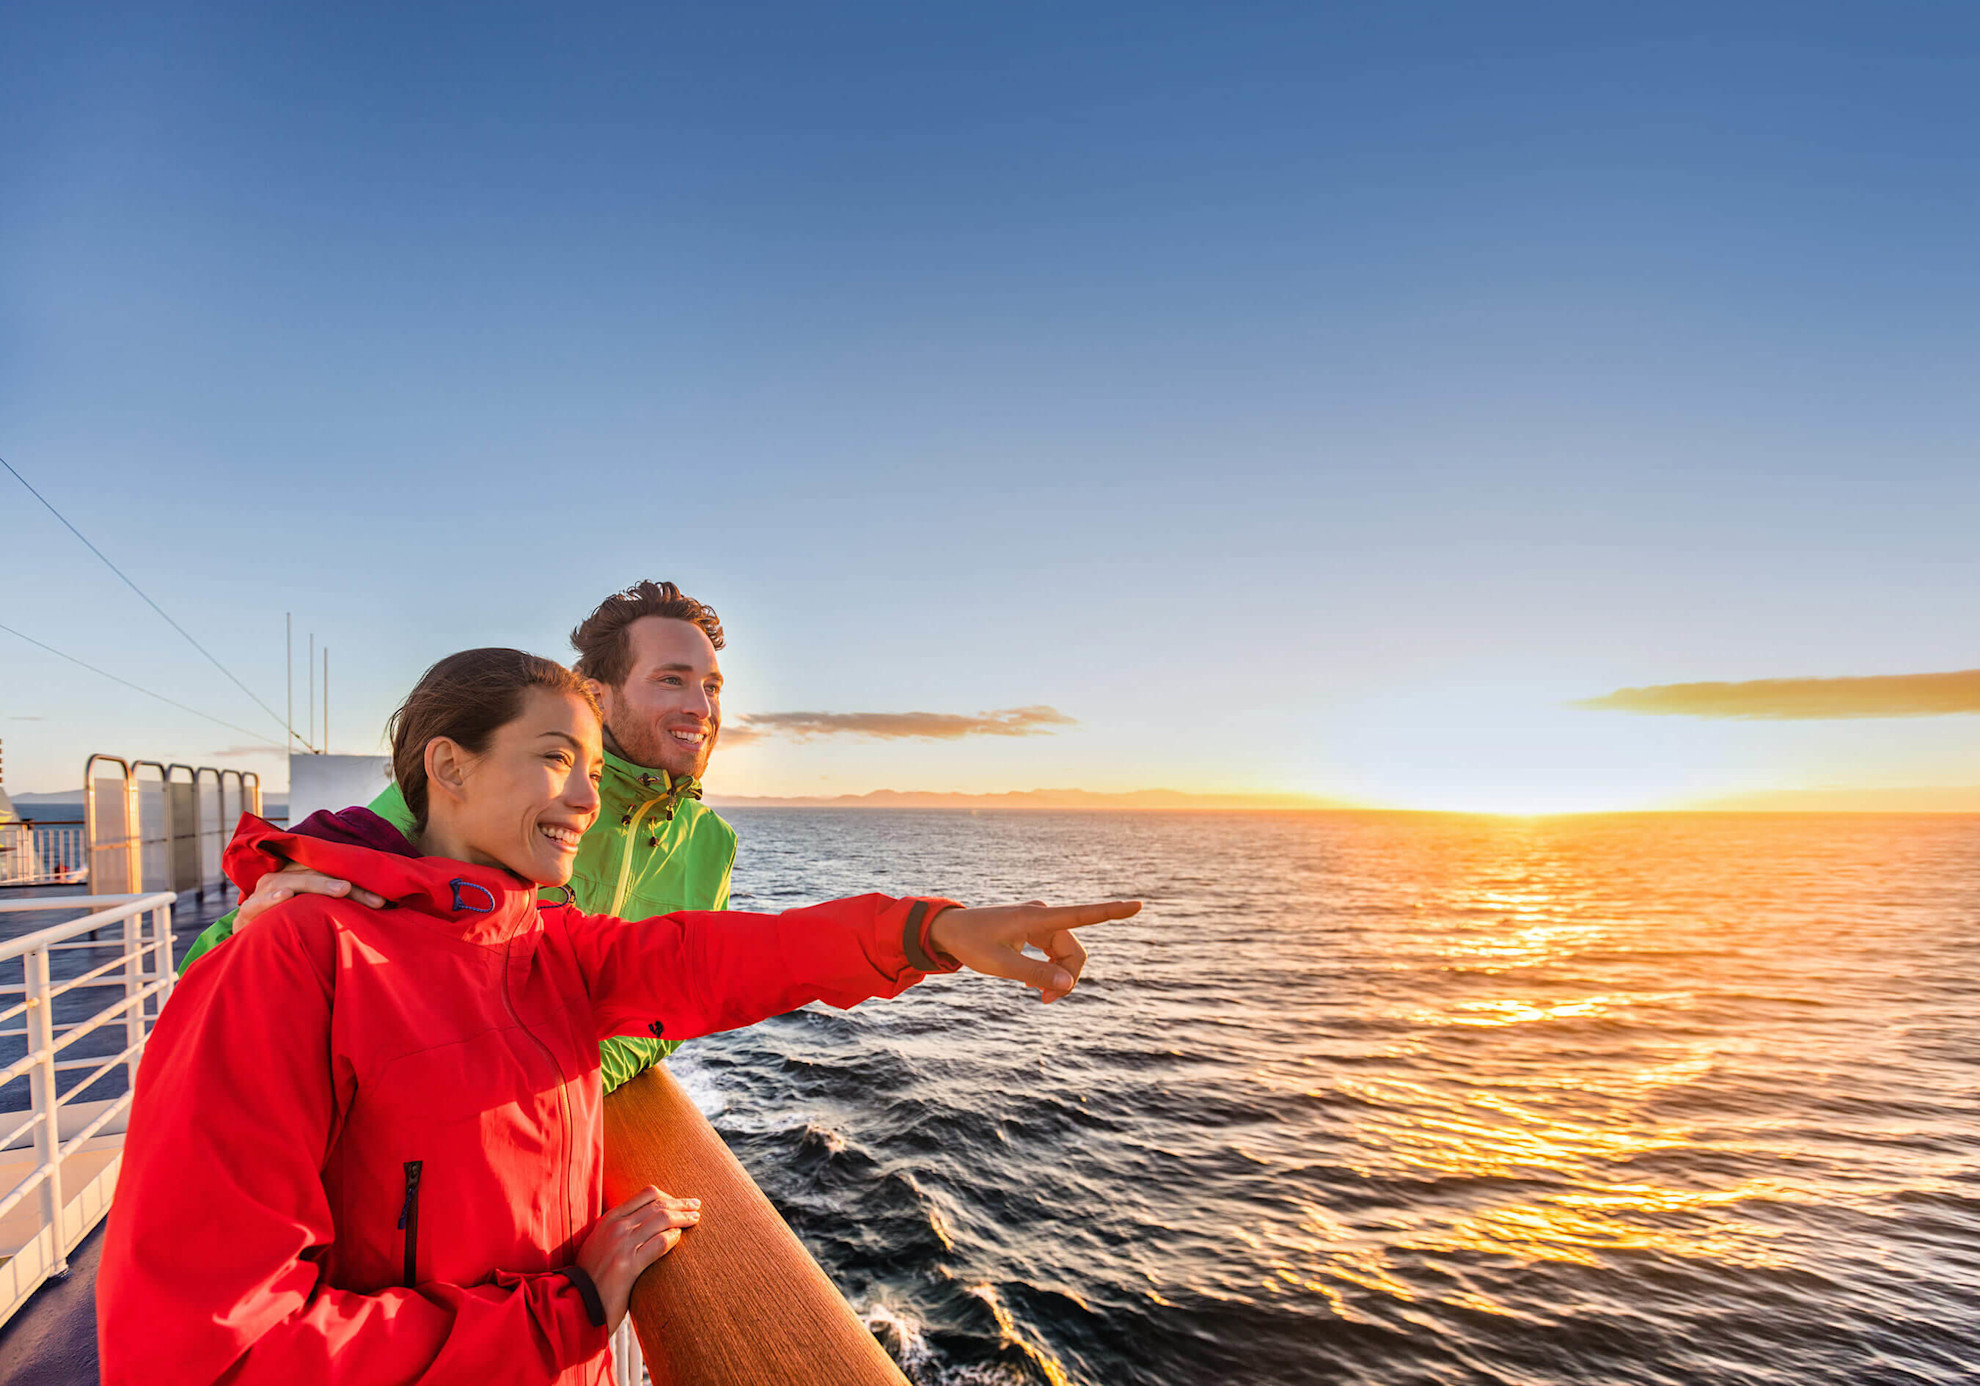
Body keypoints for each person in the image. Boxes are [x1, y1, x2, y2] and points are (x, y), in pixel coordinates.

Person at [99, 648, 1136, 1385]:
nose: (588, 800)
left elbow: (722, 956)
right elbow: (207, 1353)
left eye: (596, 769)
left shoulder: (540, 945)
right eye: (556, 759)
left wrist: (932, 932)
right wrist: (572, 1312)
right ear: (448, 768)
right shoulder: (299, 957)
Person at [181, 580, 737, 1092]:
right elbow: (221, 970)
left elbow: (680, 1000)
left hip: (551, 1124)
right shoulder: (488, 791)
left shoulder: (712, 845)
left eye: (712, 687)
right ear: (598, 696)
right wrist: (242, 943)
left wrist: (580, 1074)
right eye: (672, 680)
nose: (702, 707)